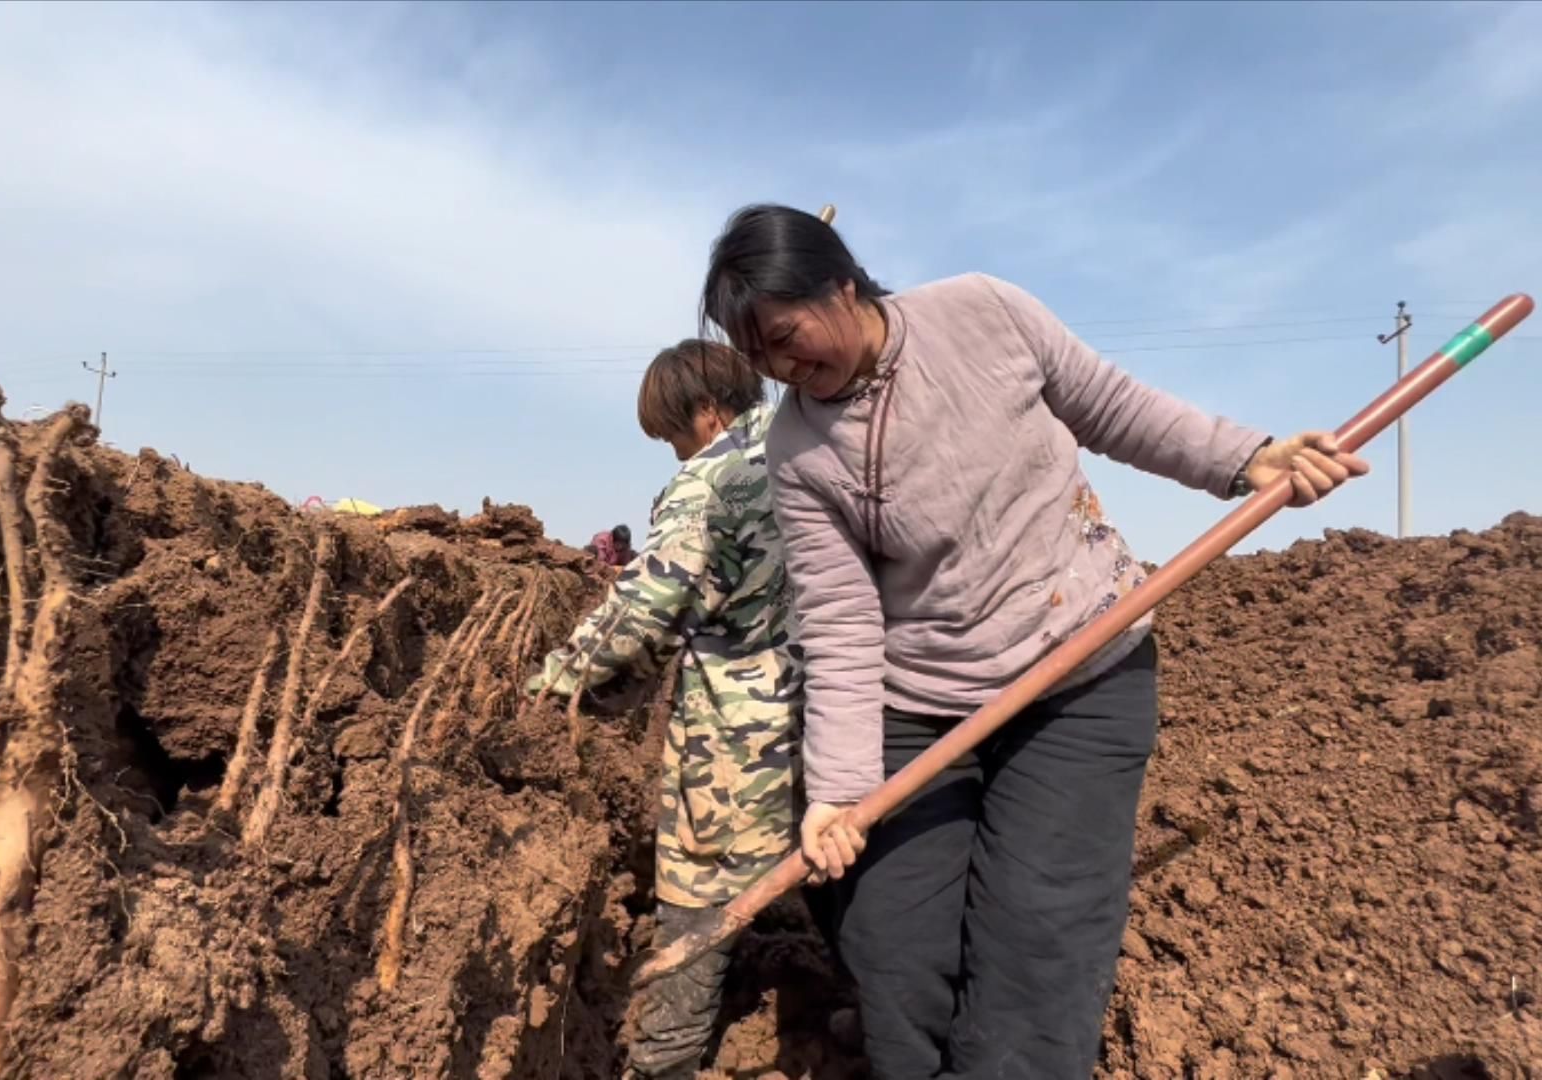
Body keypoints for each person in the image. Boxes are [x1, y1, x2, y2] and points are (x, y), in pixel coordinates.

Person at [700, 204, 1370, 1078]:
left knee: (1039, 937)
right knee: (894, 940)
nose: (787, 368)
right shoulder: (796, 446)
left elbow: (1115, 407)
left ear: (842, 283)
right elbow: (839, 617)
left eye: (789, 337)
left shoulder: (983, 312)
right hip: (922, 702)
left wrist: (1249, 459)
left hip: (1080, 672)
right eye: (761, 359)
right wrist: (835, 790)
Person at [524, 339, 806, 1079]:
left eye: (675, 436)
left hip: (741, 736)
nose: (675, 453)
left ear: (707, 415)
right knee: (837, 873)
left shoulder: (708, 482)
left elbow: (649, 609)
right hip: (832, 716)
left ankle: (663, 1062)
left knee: (699, 899)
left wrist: (553, 683)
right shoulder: (802, 446)